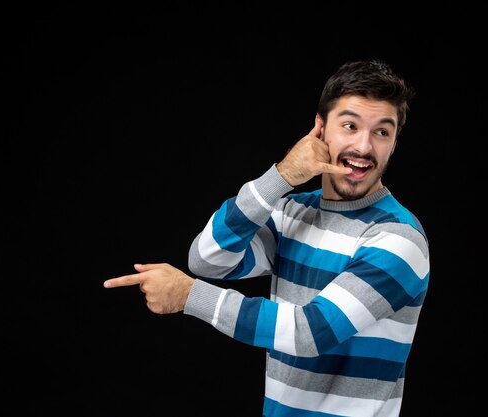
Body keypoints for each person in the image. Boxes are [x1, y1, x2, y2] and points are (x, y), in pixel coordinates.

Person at [103, 59, 430, 417]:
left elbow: (311, 332)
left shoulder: (399, 239)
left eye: (382, 132)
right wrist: (283, 176)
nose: (364, 147)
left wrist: (188, 295)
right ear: (320, 130)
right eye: (350, 126)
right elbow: (208, 259)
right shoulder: (292, 213)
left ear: (395, 142)